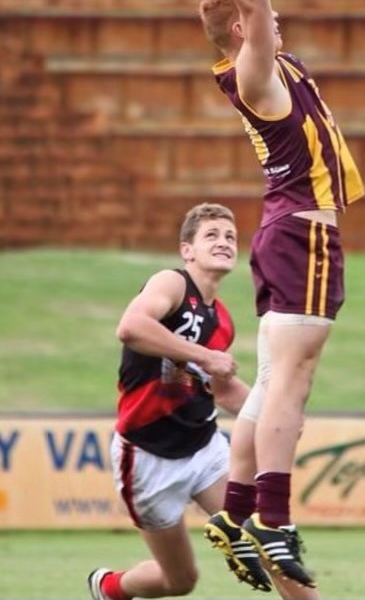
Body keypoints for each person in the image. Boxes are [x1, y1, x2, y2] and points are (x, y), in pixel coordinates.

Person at [163, 0, 364, 593]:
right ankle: (273, 520)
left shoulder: (260, 60)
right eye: (259, 16)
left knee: (276, 378)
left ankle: (237, 511)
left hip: (283, 232)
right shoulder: (254, 73)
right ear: (245, 30)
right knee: (294, 382)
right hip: (303, 234)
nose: (270, 15)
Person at [87, 202, 317, 600]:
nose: (224, 242)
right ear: (186, 250)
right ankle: (108, 588)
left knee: (265, 540)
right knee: (180, 582)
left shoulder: (222, 319)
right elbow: (131, 327)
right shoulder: (171, 283)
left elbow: (223, 390)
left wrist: (279, 413)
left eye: (230, 236)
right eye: (211, 235)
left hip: (205, 450)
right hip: (146, 457)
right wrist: (204, 355)